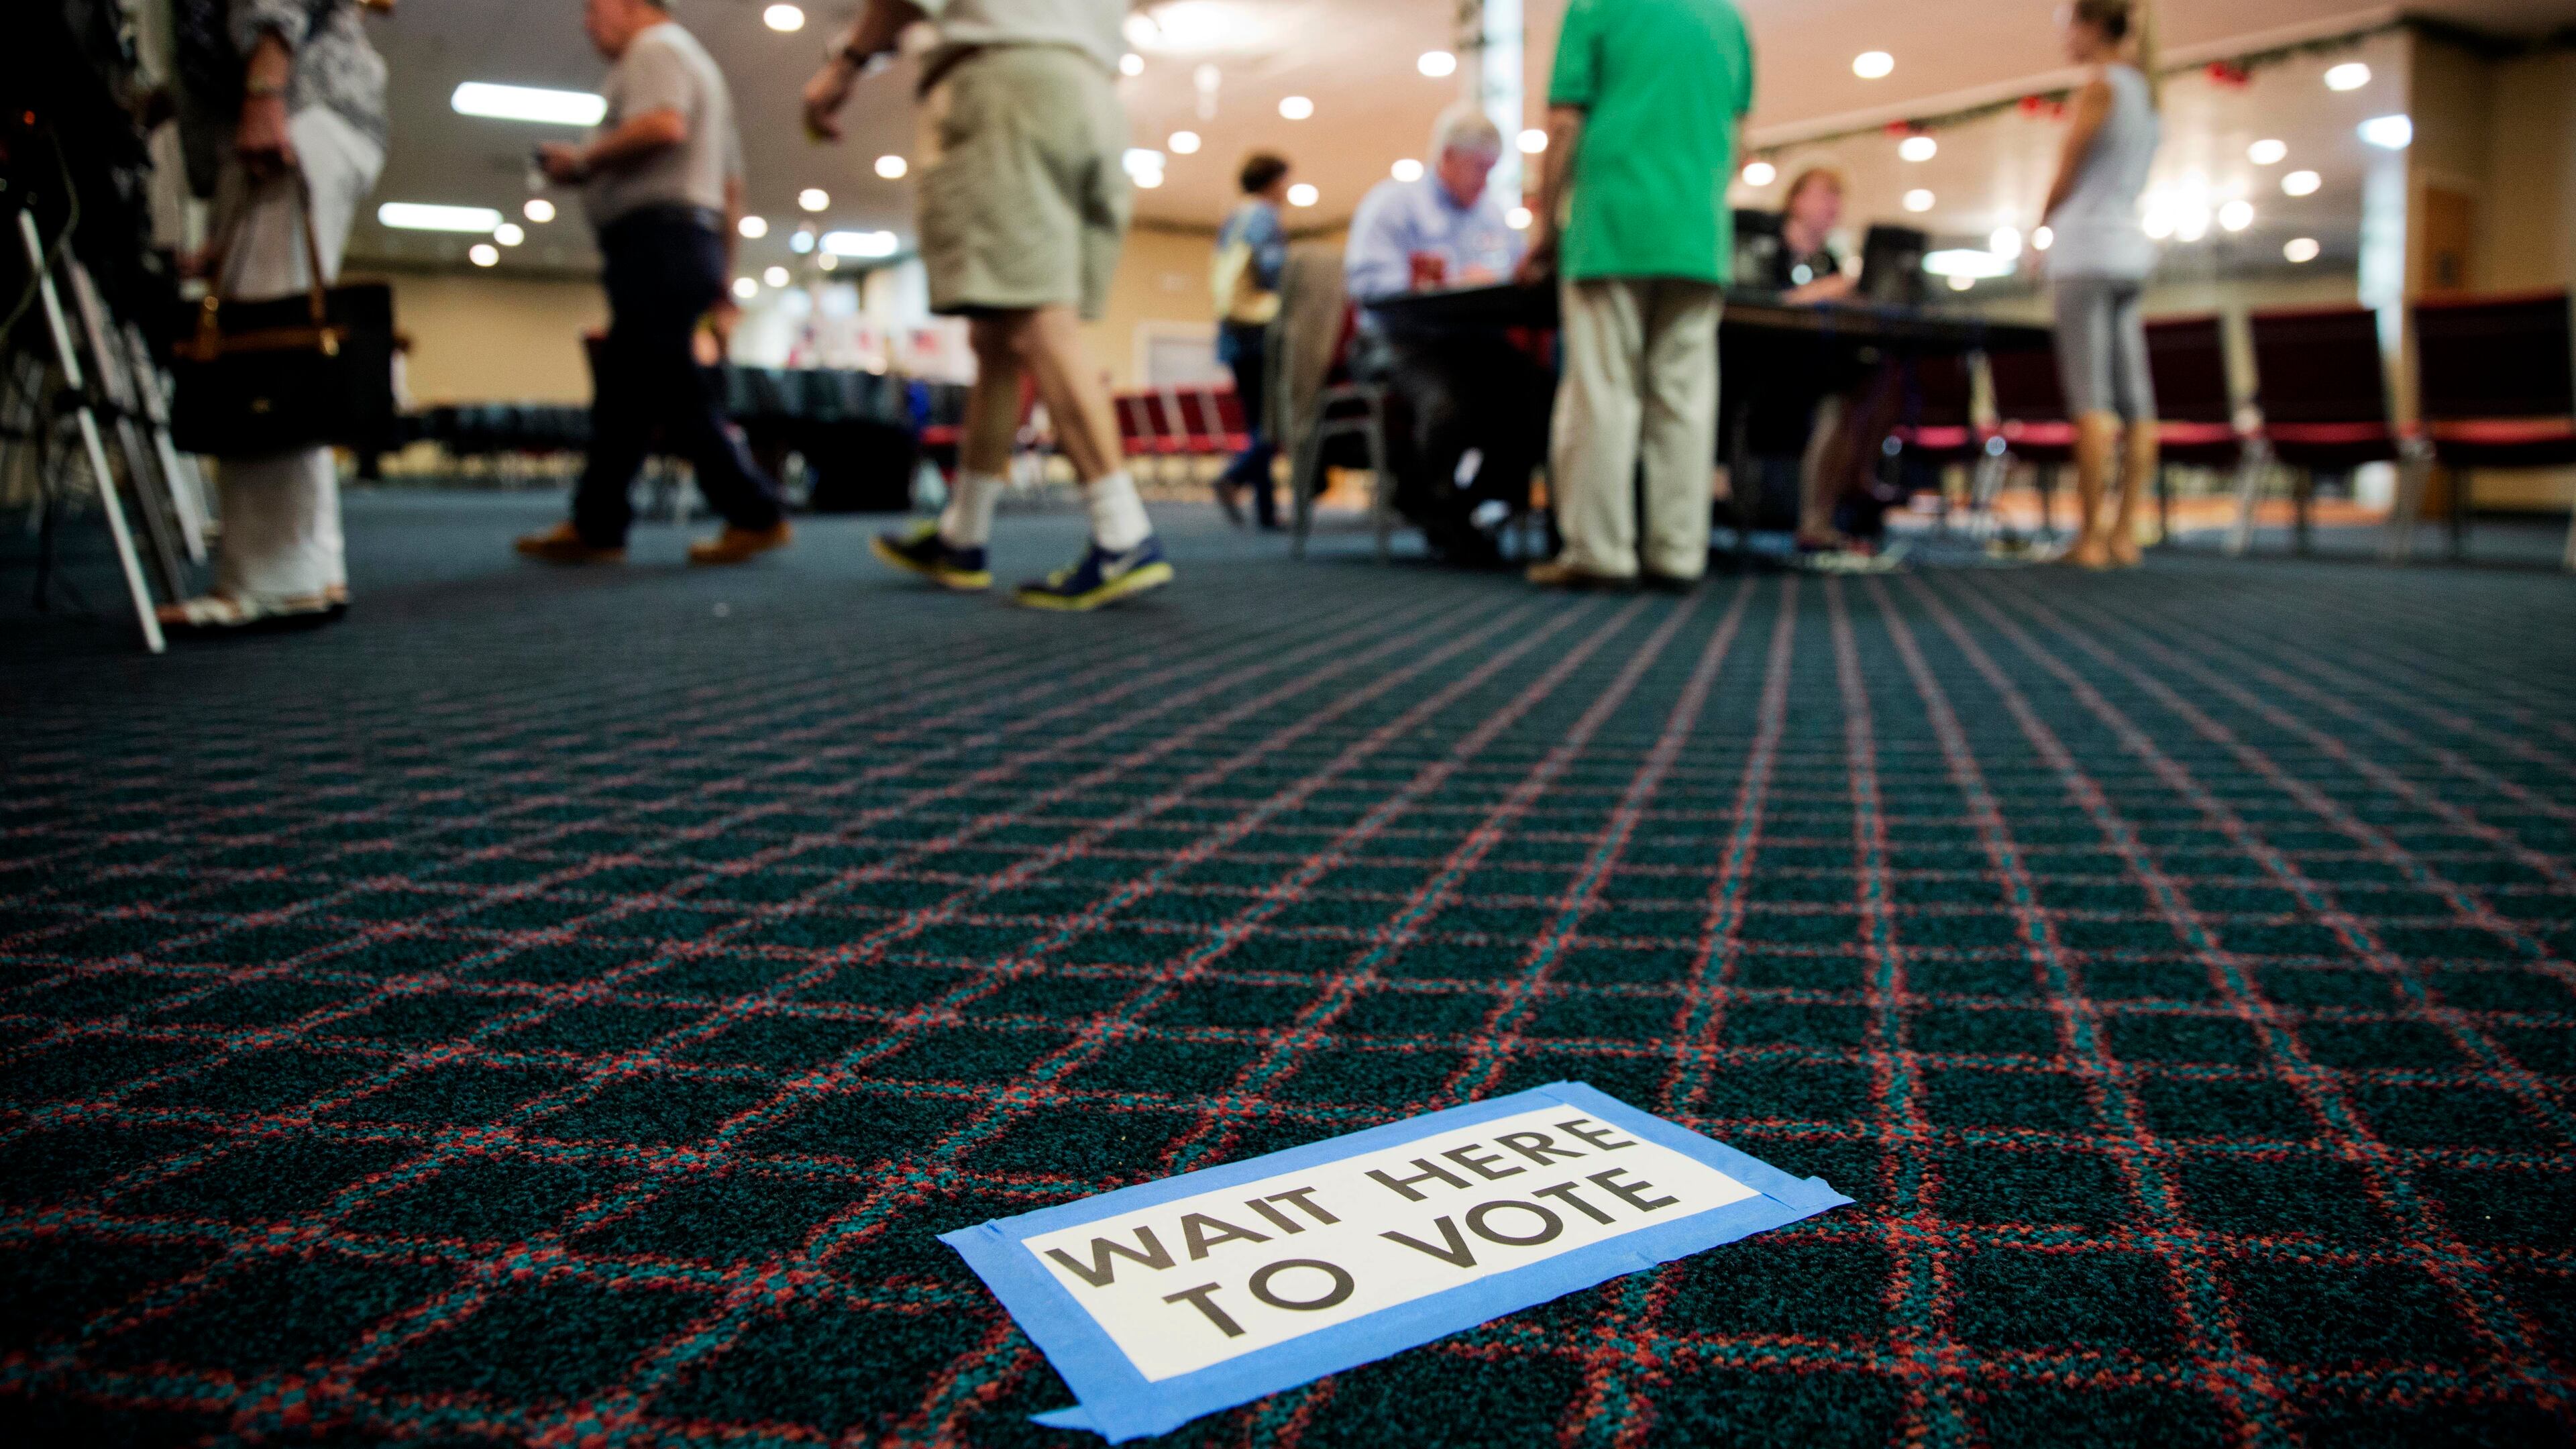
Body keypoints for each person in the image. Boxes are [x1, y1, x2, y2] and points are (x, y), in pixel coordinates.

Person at [804, 0, 1171, 610]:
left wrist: (845, 64)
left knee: (1035, 321)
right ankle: (963, 535)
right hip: (1092, 93)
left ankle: (1124, 533)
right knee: (997, 333)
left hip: (1006, 84)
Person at [515, 0, 792, 568]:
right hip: (686, 243)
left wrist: (583, 163)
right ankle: (598, 522)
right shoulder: (698, 68)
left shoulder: (656, 49)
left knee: (670, 389)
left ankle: (755, 512)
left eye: (594, 11)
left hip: (659, 241)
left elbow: (664, 126)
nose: (588, 25)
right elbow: (731, 188)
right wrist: (723, 273)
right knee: (627, 395)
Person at [158, 0, 394, 633]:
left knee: (263, 358)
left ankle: (272, 579)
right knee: (283, 345)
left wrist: (266, 83)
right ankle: (308, 568)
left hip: (296, 101)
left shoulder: (281, 82)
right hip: (296, 103)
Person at [1521, 0, 1755, 590]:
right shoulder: (1727, 20)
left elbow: (1566, 124)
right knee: (1685, 400)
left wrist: (1547, 228)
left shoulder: (1597, 9)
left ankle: (1602, 552)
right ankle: (1678, 552)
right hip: (1697, 235)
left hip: (1612, 226)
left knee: (1603, 392)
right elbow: (1738, 140)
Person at [1344, 104, 1551, 566]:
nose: (1484, 182)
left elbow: (1512, 275)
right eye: (1480, 169)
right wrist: (1451, 281)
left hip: (1469, 341)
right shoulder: (1393, 203)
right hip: (1397, 340)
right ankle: (1431, 502)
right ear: (1449, 156)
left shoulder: (1493, 214)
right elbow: (1368, 285)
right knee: (1447, 401)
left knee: (1540, 395)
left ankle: (1473, 504)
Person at [2042, 0, 2162, 570]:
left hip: (2084, 252)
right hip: (2129, 252)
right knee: (2136, 403)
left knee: (2090, 400)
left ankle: (2089, 539)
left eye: (2069, 26)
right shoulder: (2148, 90)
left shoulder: (2101, 85)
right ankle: (2124, 535)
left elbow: (2068, 169)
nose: (2066, 38)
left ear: (2092, 26)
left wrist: (2041, 223)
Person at [1212, 152, 1291, 529]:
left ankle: (1265, 510)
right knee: (1274, 423)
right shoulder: (1262, 216)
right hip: (1259, 336)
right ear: (1273, 182)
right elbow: (1273, 269)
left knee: (1257, 423)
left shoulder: (1233, 218)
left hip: (1233, 335)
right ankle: (1235, 477)